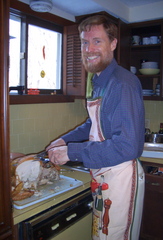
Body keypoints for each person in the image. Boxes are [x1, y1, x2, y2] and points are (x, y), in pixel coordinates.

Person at [46, 14, 145, 240]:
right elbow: (94, 121)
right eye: (84, 42)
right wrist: (64, 141)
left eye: (97, 41)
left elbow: (127, 146)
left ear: (113, 43)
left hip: (120, 176)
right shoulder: (99, 80)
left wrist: (72, 151)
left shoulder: (122, 83)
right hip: (103, 172)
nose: (89, 48)